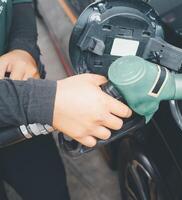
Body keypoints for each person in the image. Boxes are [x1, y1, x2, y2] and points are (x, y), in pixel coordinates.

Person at [0, 1, 132, 199]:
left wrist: (22, 46)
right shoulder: (37, 102)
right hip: (25, 103)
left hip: (20, 112)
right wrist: (42, 101)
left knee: (50, 189)